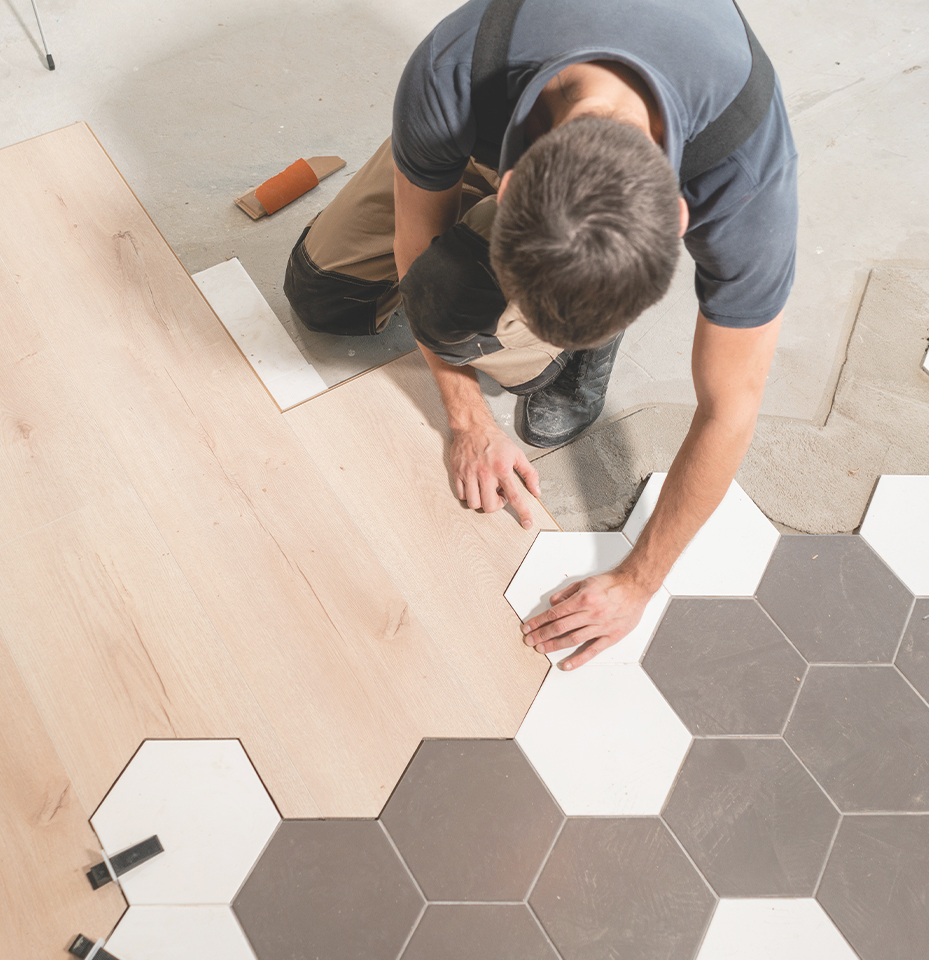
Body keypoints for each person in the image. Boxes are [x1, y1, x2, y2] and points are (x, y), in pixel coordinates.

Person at [283, 0, 797, 669]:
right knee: (327, 298)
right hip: (486, 129)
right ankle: (558, 299)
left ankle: (588, 326)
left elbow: (731, 408)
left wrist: (638, 580)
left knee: (504, 344)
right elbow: (419, 241)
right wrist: (467, 417)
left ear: (678, 216)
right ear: (514, 181)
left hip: (564, 137)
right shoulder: (455, 71)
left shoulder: (743, 174)